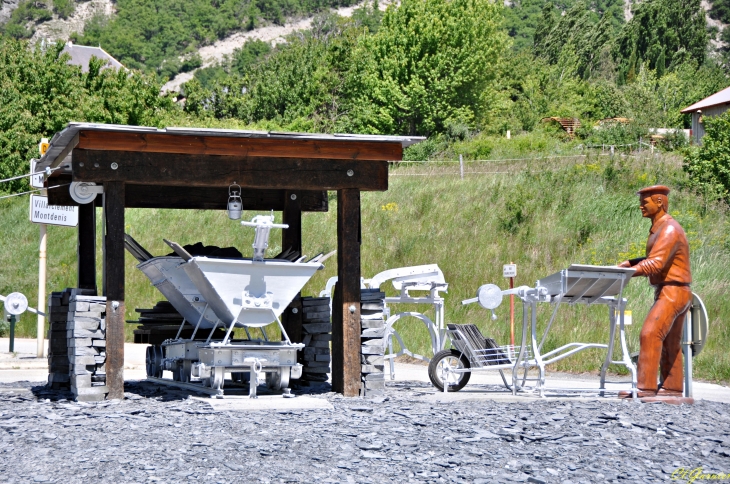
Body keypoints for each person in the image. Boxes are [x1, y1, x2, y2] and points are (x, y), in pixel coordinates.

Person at [617, 185, 692, 398]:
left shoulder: (668, 229)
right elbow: (657, 259)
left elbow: (656, 264)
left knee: (650, 334)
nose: (641, 205)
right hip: (673, 290)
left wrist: (628, 273)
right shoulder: (661, 228)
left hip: (673, 291)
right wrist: (631, 263)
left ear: (659, 202)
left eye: (645, 201)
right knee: (670, 341)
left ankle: (646, 388)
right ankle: (672, 388)